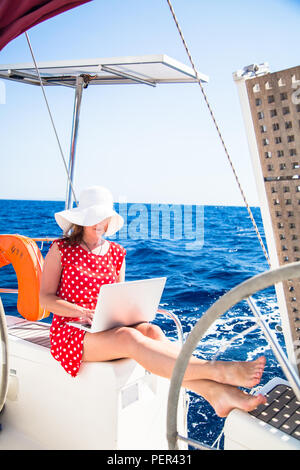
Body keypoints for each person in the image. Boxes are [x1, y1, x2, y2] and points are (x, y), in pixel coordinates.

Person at [40, 185, 266, 418]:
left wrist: (133, 311)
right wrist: (81, 311)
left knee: (153, 331)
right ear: (82, 219)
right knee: (128, 337)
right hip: (70, 332)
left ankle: (215, 393)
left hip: (104, 325)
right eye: (94, 217)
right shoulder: (61, 249)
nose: (100, 223)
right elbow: (45, 299)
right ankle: (217, 370)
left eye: (104, 217)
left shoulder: (116, 253)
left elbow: (118, 298)